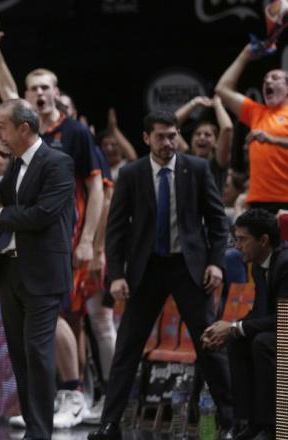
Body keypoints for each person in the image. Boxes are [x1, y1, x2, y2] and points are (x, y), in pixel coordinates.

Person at [0, 15, 104, 427]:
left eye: (45, 87)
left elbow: (96, 187)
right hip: (17, 262)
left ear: (56, 93)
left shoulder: (71, 137)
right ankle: (42, 415)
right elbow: (7, 93)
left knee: (69, 325)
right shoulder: (16, 144)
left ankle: (72, 392)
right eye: (32, 88)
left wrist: (90, 239)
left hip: (58, 244)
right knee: (30, 345)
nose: (38, 93)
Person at [88, 110, 233, 440]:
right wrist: (116, 275)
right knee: (127, 347)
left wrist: (216, 263)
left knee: (209, 342)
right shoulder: (132, 173)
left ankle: (231, 420)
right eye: (160, 137)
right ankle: (109, 425)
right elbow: (115, 231)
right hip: (146, 268)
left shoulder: (196, 168)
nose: (168, 143)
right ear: (146, 138)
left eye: (172, 136)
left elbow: (217, 220)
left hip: (188, 267)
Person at [0, 99, 75, 440]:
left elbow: (44, 215)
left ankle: (41, 431)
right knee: (19, 354)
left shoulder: (57, 163)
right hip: (11, 271)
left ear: (24, 129)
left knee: (38, 352)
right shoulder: (11, 164)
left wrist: (4, 213)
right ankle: (34, 426)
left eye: (2, 126)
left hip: (43, 273)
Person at [202, 209, 286, 440]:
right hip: (281, 330)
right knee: (239, 341)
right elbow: (260, 312)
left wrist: (233, 327)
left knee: (262, 342)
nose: (237, 246)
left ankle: (274, 427)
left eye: (242, 239)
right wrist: (230, 329)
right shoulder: (259, 265)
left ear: (264, 240)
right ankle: (250, 423)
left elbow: (283, 319)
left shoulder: (285, 264)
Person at [215, 44, 288, 213]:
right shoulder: (256, 112)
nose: (268, 81)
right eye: (265, 80)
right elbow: (222, 89)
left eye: (275, 78)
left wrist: (272, 139)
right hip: (257, 201)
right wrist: (245, 54)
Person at [174, 95, 233, 193]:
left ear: (216, 143)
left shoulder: (218, 162)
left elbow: (227, 129)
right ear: (192, 140)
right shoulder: (186, 155)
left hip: (211, 208)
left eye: (208, 135)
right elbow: (170, 124)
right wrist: (194, 103)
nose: (202, 137)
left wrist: (217, 104)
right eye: (198, 134)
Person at [97, 108, 139, 182]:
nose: (109, 149)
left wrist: (114, 129)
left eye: (113, 144)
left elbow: (133, 158)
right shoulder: (98, 168)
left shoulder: (126, 166)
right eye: (105, 145)